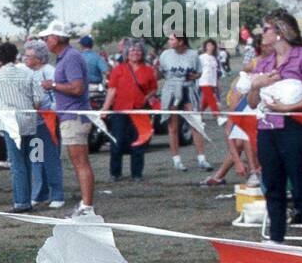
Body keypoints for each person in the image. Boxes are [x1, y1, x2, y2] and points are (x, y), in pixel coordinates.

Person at [247, 10, 302, 248]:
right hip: (267, 128)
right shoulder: (264, 63)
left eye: (266, 29)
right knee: (272, 184)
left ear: (280, 32)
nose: (262, 34)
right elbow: (253, 103)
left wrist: (288, 107)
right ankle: (276, 238)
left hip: (296, 128)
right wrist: (256, 85)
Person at [0, 42, 42, 211]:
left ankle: (21, 202)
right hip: (29, 121)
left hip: (10, 123)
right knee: (28, 161)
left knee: (17, 164)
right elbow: (39, 98)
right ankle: (28, 197)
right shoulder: (27, 74)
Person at [39, 20, 95, 216]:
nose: (45, 41)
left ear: (56, 38)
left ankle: (87, 206)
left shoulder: (70, 58)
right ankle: (85, 204)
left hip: (74, 115)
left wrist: (52, 85)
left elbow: (77, 87)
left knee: (80, 162)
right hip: (71, 115)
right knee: (79, 161)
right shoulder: (67, 57)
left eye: (47, 38)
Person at [102, 40, 157, 182]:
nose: (135, 52)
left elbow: (153, 89)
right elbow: (112, 90)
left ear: (142, 53)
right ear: (127, 52)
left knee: (139, 142)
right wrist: (105, 108)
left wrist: (146, 98)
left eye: (138, 50)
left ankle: (137, 173)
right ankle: (115, 173)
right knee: (116, 142)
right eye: (132, 50)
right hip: (120, 110)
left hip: (140, 111)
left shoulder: (148, 70)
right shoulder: (118, 69)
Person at [22, 38, 65, 208]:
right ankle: (40, 193)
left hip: (48, 122)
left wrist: (51, 113)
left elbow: (56, 98)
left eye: (29, 56)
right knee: (36, 158)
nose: (25, 58)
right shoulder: (28, 73)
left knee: (50, 158)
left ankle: (57, 194)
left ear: (39, 58)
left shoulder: (50, 71)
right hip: (34, 123)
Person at [158, 31, 209, 170]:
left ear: (181, 41)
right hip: (172, 90)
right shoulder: (165, 55)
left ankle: (201, 158)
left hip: (188, 90)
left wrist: (194, 76)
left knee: (195, 123)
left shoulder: (193, 55)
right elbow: (160, 73)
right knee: (173, 126)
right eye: (169, 39)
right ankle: (177, 160)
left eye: (172, 39)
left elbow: (199, 72)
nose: (169, 42)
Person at [198, 38, 222, 115]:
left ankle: (199, 114)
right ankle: (218, 116)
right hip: (204, 81)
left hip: (212, 81)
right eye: (208, 45)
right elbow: (197, 69)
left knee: (206, 100)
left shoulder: (215, 58)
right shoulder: (201, 57)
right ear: (205, 47)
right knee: (211, 98)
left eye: (212, 45)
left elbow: (216, 72)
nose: (210, 47)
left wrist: (217, 83)